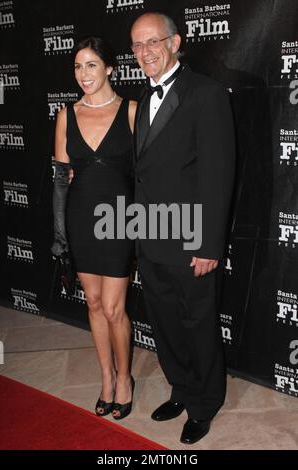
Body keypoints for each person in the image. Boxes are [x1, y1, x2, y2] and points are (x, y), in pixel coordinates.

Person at [131, 13, 235, 443]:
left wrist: (209, 244)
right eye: (137, 45)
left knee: (198, 324)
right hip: (150, 237)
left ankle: (205, 404)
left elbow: (218, 173)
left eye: (152, 42)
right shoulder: (142, 97)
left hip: (191, 239)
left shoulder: (206, 94)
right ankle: (181, 388)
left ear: (176, 42)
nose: (144, 52)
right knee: (165, 324)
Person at [51, 37, 137, 420]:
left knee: (116, 308)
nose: (83, 74)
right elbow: (59, 179)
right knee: (94, 303)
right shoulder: (66, 114)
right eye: (77, 66)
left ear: (110, 69)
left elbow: (151, 173)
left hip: (120, 219)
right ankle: (106, 377)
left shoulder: (133, 111)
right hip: (82, 217)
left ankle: (125, 381)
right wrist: (59, 234)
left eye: (91, 65)